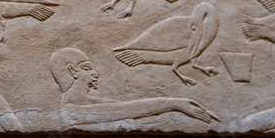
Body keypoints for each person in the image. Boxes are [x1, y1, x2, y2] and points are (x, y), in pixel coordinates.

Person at [49, 48, 218, 129]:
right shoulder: (69, 111)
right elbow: (127, 110)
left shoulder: (86, 103)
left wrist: (176, 103)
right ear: (72, 71)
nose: (96, 73)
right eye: (86, 68)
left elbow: (127, 106)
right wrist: (174, 104)